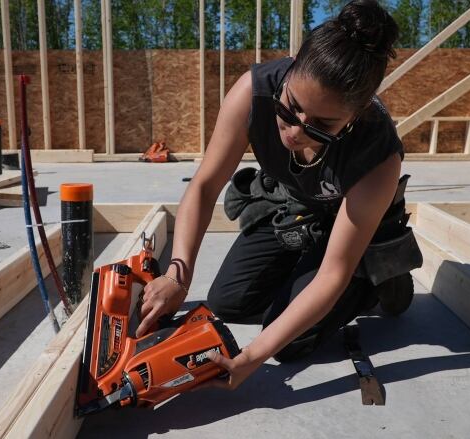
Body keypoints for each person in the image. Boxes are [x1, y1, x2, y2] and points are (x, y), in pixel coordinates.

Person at [136, 0, 418, 390]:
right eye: (291, 108)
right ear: (288, 74)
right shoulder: (254, 92)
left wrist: (251, 357)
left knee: (290, 342)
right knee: (228, 303)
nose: (296, 131)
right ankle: (302, 266)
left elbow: (333, 272)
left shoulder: (378, 156)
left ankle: (376, 279)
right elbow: (203, 186)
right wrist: (176, 275)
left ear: (354, 117)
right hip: (297, 204)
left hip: (350, 222)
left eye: (322, 125)